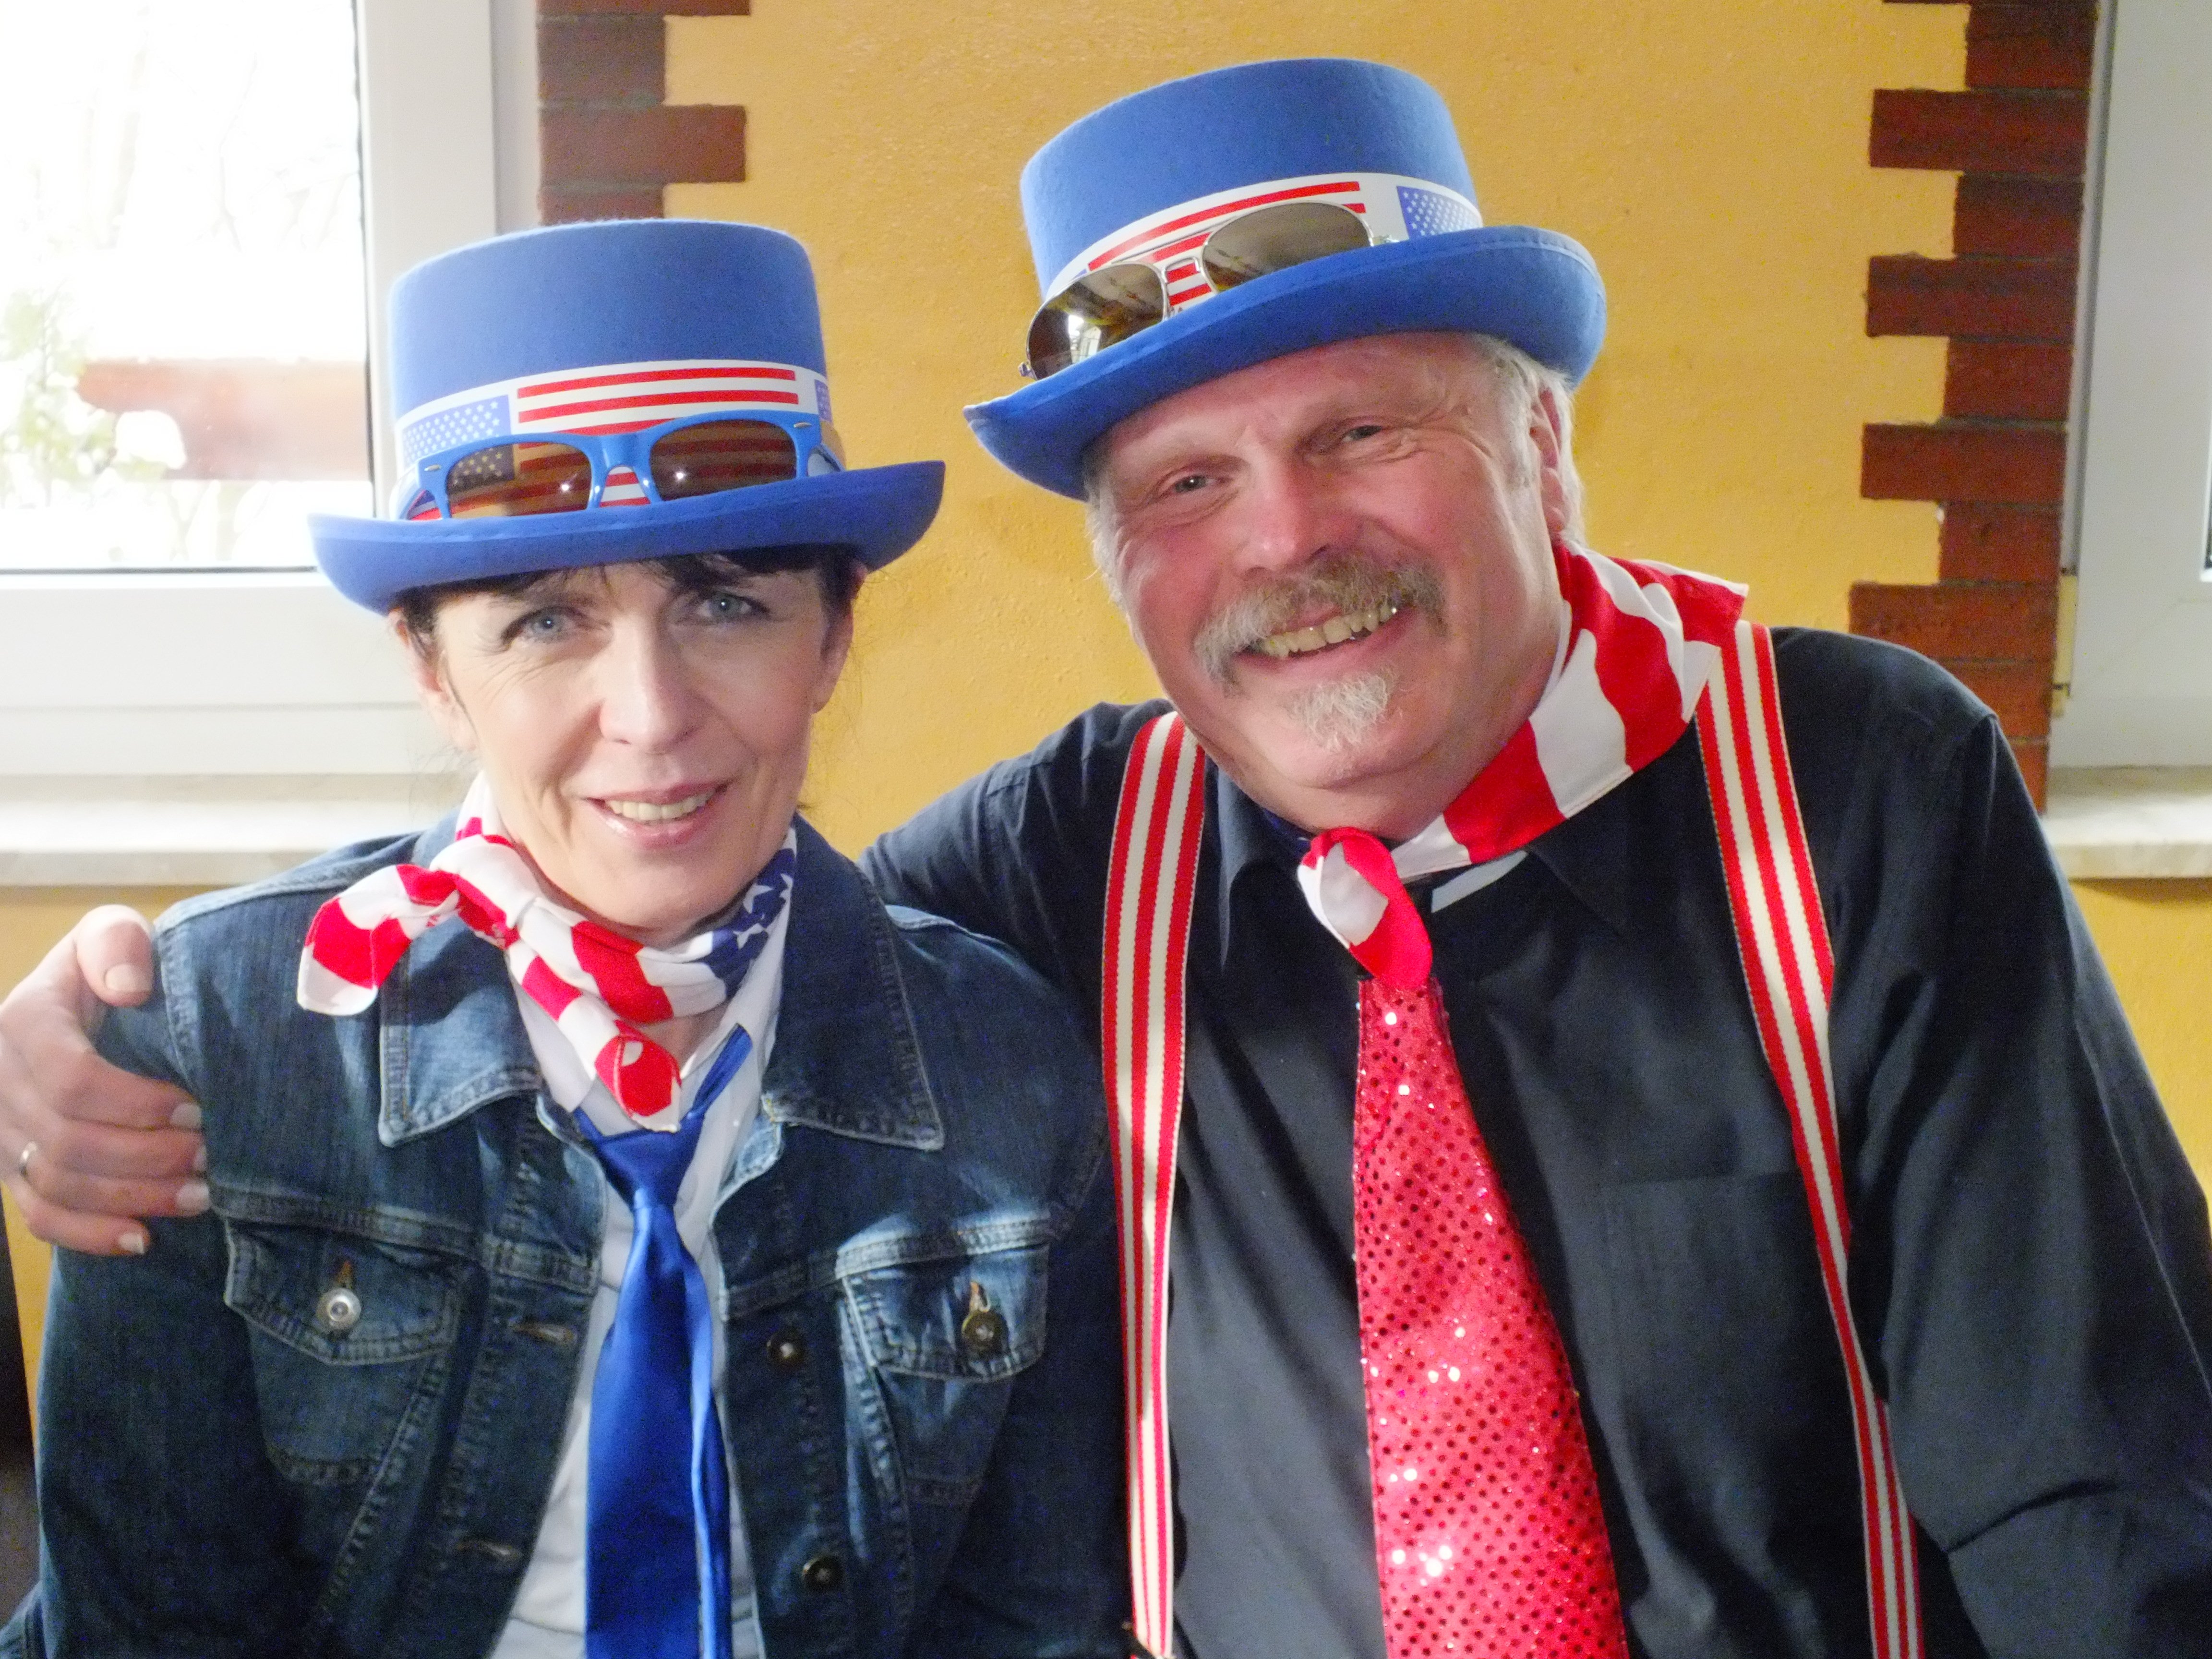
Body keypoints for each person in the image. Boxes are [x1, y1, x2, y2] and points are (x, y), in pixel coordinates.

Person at [6, 55, 2212, 1659]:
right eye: (1182, 485)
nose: (1287, 544)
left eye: (1362, 430)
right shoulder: (1076, 856)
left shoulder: (1849, 783)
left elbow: (2093, 1491)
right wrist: (99, 1025)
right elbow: (659, 901)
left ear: (1544, 445)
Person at [0, 218, 1126, 1659]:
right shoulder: (214, 1043)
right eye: (546, 623)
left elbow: (1029, 1629)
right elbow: (155, 1629)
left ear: (836, 638)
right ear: (433, 668)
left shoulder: (1005, 1066)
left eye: (726, 604)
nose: (650, 718)